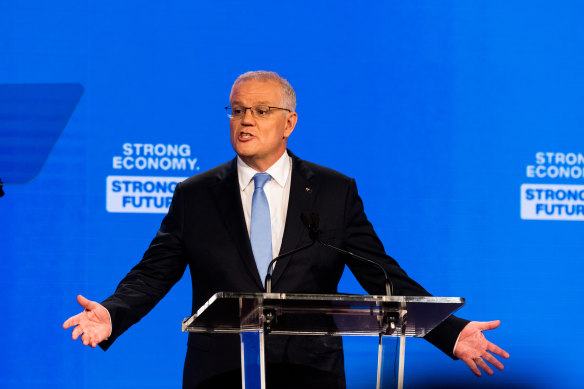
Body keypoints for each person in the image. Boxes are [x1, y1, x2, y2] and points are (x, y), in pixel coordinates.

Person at [64, 71, 509, 388]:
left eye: (261, 110)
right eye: (237, 110)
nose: (246, 120)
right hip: (220, 374)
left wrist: (449, 330)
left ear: (289, 123)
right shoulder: (196, 195)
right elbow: (154, 273)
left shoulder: (334, 191)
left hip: (309, 373)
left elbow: (382, 274)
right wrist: (112, 312)